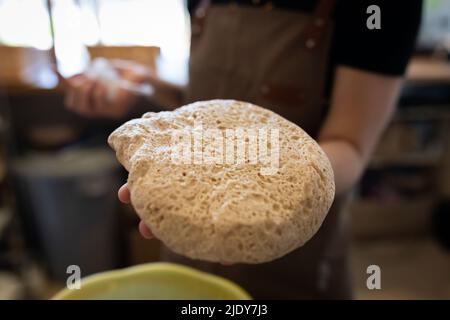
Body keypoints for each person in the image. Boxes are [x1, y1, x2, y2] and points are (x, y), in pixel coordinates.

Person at [61, 0, 422, 299]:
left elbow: (352, 146)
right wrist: (146, 88)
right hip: (188, 239)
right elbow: (207, 108)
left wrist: (256, 186)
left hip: (289, 251)